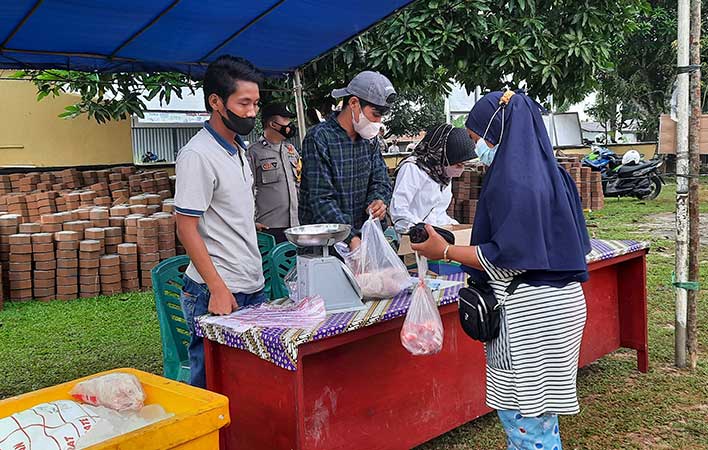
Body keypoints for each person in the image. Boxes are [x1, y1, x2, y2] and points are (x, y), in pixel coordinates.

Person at [411, 90, 591, 449]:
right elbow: (570, 246)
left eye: (477, 139)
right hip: (565, 310)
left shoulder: (511, 182)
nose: (477, 150)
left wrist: (444, 249)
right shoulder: (556, 175)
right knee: (540, 414)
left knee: (525, 422)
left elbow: (507, 260)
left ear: (498, 131)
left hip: (528, 320)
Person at [174, 55, 267, 388]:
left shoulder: (239, 149)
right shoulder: (197, 155)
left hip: (251, 285)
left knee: (247, 383)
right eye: (244, 103)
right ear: (215, 101)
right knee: (212, 385)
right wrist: (217, 288)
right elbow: (185, 227)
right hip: (216, 291)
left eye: (256, 103)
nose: (252, 112)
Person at [299, 71, 396, 249]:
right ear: (353, 103)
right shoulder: (319, 138)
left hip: (365, 239)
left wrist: (378, 201)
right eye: (375, 114)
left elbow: (381, 180)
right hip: (325, 247)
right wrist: (351, 239)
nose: (378, 121)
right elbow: (321, 199)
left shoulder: (370, 140)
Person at [390, 124, 475, 233]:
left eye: (464, 165)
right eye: (458, 165)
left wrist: (454, 227)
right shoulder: (412, 169)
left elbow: (437, 213)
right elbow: (399, 212)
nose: (461, 169)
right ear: (442, 157)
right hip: (411, 239)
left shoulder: (443, 176)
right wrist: (423, 230)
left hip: (434, 239)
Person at [247, 103, 301, 243]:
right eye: (285, 120)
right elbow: (246, 190)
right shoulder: (253, 152)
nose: (290, 124)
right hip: (268, 227)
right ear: (273, 124)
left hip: (295, 225)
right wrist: (250, 221)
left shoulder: (290, 150)